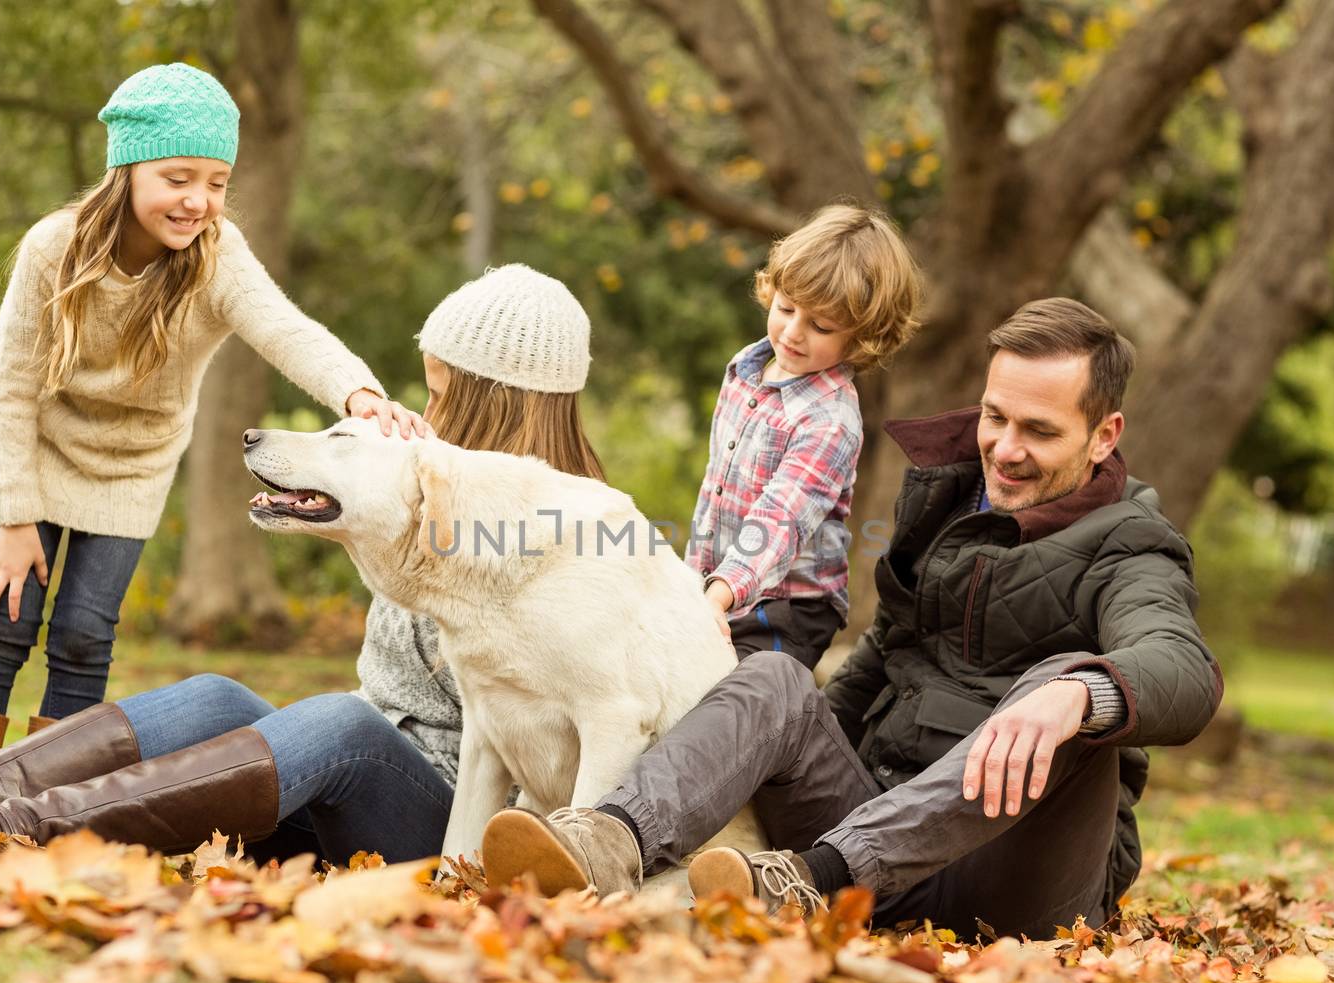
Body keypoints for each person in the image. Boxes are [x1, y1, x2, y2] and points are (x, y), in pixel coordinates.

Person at [482, 297, 1223, 940]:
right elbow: (882, 653)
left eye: (1040, 430)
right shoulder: (950, 501)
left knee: (1062, 688)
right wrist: (784, 742)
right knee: (776, 676)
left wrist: (1078, 697)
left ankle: (804, 882)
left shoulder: (1133, 544)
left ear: (1104, 435)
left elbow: (1183, 668)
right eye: (995, 417)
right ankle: (606, 840)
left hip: (1016, 876)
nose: (1006, 448)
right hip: (877, 827)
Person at [0, 265, 599, 865]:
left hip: (447, 823)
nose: (423, 415)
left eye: (440, 394)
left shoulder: (564, 535)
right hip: (347, 786)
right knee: (215, 696)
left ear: (496, 402)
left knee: (341, 720)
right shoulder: (431, 480)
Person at [0, 62, 427, 779]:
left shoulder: (215, 258)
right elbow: (8, 386)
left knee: (81, 635)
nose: (199, 200)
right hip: (38, 453)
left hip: (132, 468)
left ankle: (42, 802)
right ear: (127, 170)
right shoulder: (53, 248)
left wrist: (358, 393)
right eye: (178, 177)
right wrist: (14, 516)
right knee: (3, 622)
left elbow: (284, 329)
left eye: (217, 182)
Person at [690, 204, 920, 669]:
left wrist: (719, 595)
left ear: (860, 338)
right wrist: (696, 585)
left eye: (821, 326)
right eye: (786, 308)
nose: (793, 333)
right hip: (718, 588)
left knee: (729, 696)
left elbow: (781, 518)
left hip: (790, 608)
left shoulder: (829, 420)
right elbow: (715, 491)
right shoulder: (745, 369)